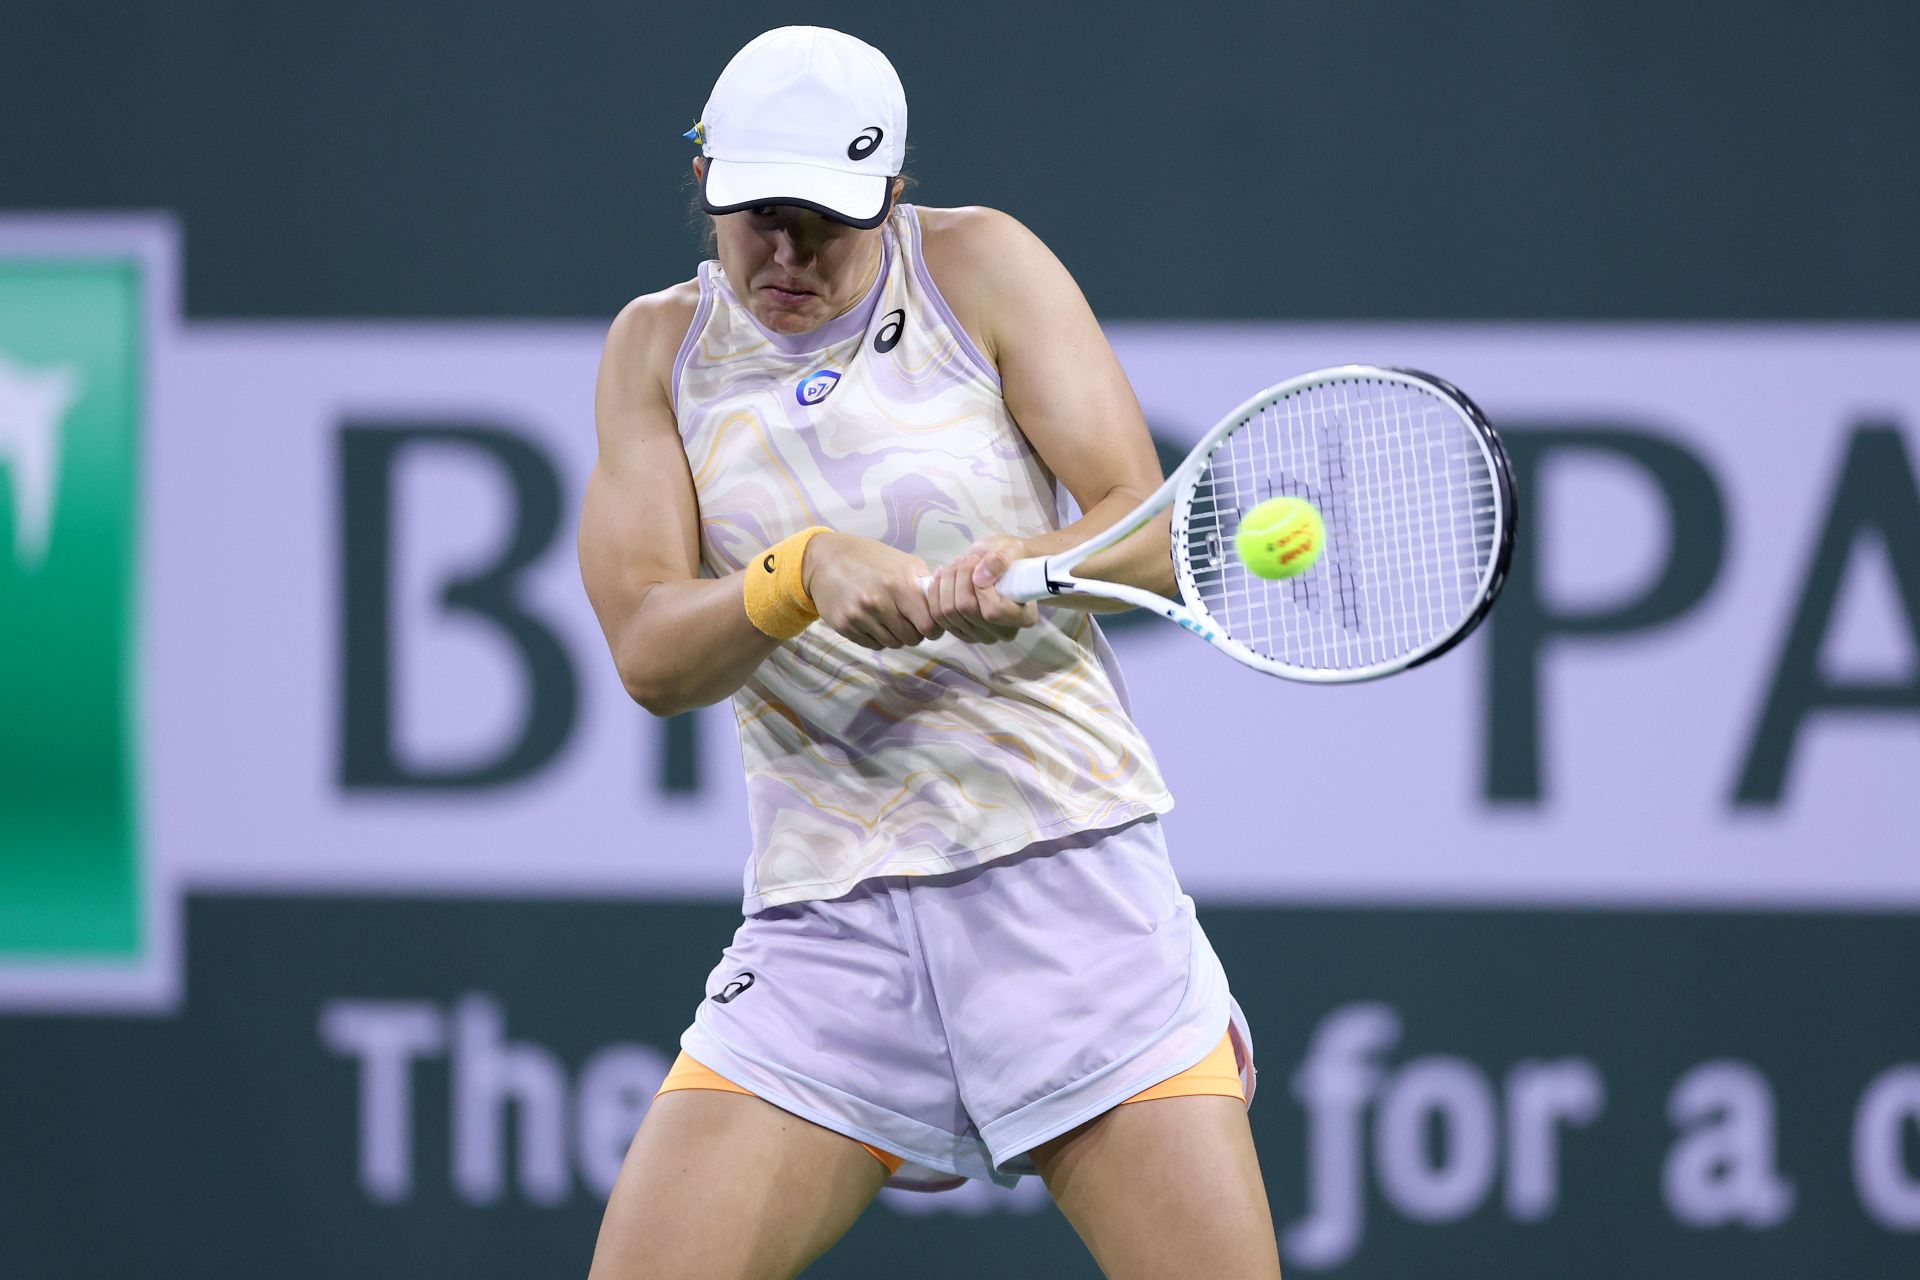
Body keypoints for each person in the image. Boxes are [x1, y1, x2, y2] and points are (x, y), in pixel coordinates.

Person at [578, 25, 1282, 1280]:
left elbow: (1155, 537)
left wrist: (1025, 564)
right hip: (827, 920)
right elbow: (646, 649)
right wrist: (799, 574)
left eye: (826, 221)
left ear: (893, 193)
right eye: (756, 215)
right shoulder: (654, 352)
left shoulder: (982, 267)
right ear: (701, 175)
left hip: (1070, 886)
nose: (786, 254)